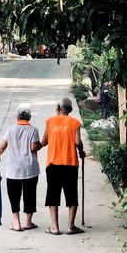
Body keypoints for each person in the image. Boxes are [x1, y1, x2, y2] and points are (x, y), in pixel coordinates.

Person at [40, 98, 86, 235]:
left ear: (58, 108)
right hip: (70, 164)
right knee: (72, 195)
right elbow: (78, 142)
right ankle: (71, 226)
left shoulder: (50, 122)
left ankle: (54, 227)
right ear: (69, 110)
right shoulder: (75, 123)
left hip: (53, 164)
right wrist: (81, 151)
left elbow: (44, 141)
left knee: (53, 195)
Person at [0, 103, 41, 232]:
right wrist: (40, 145)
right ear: (30, 117)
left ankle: (16, 223)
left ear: (17, 117)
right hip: (30, 169)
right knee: (30, 195)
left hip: (13, 170)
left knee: (14, 195)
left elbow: (3, 145)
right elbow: (33, 147)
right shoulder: (33, 130)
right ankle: (28, 222)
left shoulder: (10, 129)